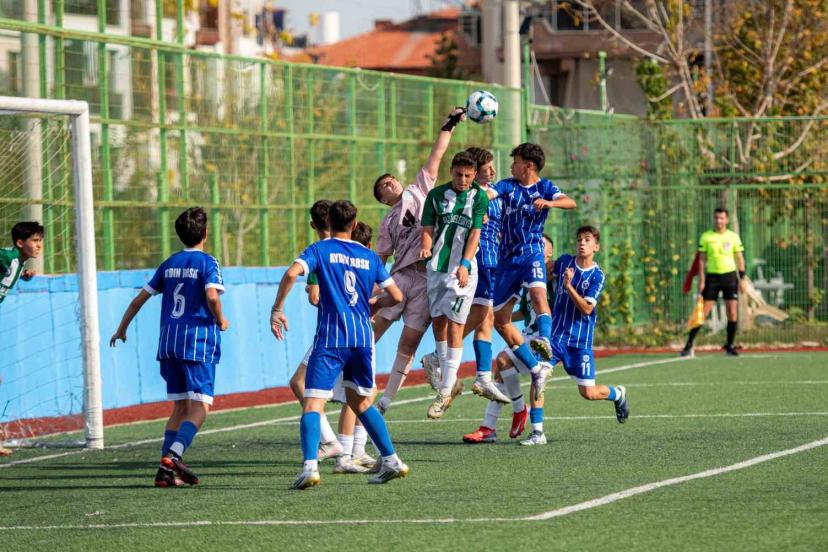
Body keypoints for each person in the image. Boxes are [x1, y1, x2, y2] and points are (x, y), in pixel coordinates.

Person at [270, 200, 408, 489]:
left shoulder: (320, 249)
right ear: (355, 225)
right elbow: (396, 296)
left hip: (332, 338)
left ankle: (309, 467)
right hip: (362, 338)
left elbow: (293, 273)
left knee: (312, 402)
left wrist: (277, 309)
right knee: (361, 402)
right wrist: (375, 303)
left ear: (327, 224)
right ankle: (392, 460)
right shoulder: (369, 257)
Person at [110, 207, 229, 487]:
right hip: (197, 343)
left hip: (168, 344)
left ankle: (164, 473)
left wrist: (122, 328)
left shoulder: (169, 264)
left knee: (179, 407)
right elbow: (212, 297)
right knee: (200, 406)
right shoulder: (208, 263)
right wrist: (221, 319)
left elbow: (139, 299)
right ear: (205, 233)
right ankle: (174, 455)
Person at [371, 107, 466, 414]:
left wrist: (449, 124)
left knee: (409, 343)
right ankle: (352, 379)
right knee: (373, 327)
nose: (391, 184)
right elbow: (380, 258)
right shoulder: (387, 221)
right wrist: (371, 285)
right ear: (383, 198)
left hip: (428, 280)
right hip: (401, 277)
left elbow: (437, 154)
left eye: (391, 180)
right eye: (384, 186)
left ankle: (385, 400)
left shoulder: (419, 190)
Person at [484, 143, 575, 398]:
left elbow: (570, 202)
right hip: (506, 260)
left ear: (529, 165)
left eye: (516, 161)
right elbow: (490, 194)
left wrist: (549, 203)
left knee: (538, 296)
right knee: (500, 321)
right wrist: (480, 197)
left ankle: (544, 342)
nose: (511, 166)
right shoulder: (507, 185)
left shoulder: (544, 187)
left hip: (531, 252)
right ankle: (536, 368)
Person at [420, 146, 510, 405]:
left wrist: (466, 263)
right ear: (452, 172)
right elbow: (427, 227)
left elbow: (475, 234)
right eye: (459, 175)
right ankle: (443, 363)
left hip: (470, 268)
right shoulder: (438, 196)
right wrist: (426, 245)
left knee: (477, 316)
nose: (462, 180)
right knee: (443, 321)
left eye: (467, 176)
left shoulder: (481, 197)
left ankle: (458, 382)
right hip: (439, 267)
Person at [527, 225, 629, 445]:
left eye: (587, 240)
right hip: (554, 337)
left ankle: (618, 394)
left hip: (579, 342)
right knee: (538, 376)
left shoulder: (597, 276)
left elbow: (587, 309)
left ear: (596, 247)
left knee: (589, 393)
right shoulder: (564, 262)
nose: (582, 243)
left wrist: (568, 286)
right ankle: (537, 432)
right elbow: (543, 270)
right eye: (579, 239)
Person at [462, 234, 554, 445]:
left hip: (551, 340)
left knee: (584, 389)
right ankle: (492, 426)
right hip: (529, 337)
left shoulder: (553, 274)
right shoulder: (525, 274)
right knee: (502, 365)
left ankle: (531, 426)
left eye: (541, 247)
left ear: (549, 254)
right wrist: (497, 318)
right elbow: (522, 312)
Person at [287, 200, 343, 462]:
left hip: (332, 331)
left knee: (299, 383)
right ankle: (357, 451)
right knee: (357, 395)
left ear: (313, 224)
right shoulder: (351, 246)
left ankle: (332, 442)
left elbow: (315, 297)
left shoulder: (319, 251)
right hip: (359, 329)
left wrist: (312, 288)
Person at [332, 221, 381, 475]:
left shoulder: (330, 257)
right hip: (354, 333)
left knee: (364, 392)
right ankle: (342, 453)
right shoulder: (369, 261)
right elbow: (392, 294)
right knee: (354, 397)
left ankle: (355, 450)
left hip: (337, 331)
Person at [0, 221, 44, 456]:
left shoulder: (17, 264)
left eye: (40, 241)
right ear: (20, 243)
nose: (39, 245)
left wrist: (23, 276)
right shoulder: (7, 256)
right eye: (35, 241)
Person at [681, 208, 746, 357]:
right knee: (702, 312)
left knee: (732, 312)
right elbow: (702, 260)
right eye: (716, 218)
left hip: (729, 278)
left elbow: (740, 258)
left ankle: (729, 346)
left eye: (722, 218)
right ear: (713, 219)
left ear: (727, 220)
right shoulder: (706, 237)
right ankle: (689, 345)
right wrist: (702, 279)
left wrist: (742, 279)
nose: (719, 221)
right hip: (712, 279)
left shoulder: (733, 237)